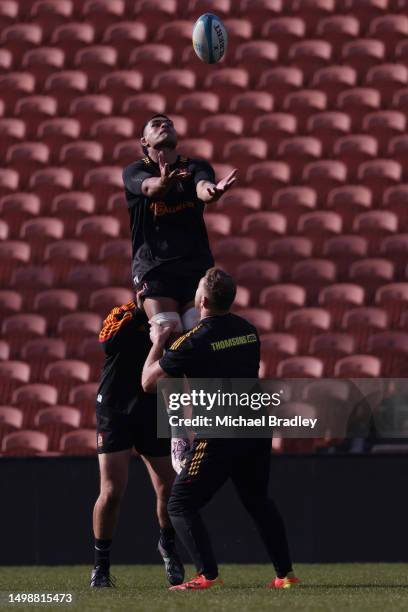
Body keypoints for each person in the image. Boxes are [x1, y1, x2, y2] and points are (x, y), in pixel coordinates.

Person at [141, 268, 299, 591]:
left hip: (222, 431)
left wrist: (157, 343)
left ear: (202, 299)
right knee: (258, 500)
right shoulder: (249, 331)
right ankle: (286, 575)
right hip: (255, 425)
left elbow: (147, 382)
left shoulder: (192, 341)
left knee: (180, 504)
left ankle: (206, 575)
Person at [91, 299, 184, 588]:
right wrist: (140, 319)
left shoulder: (179, 319)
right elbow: (106, 342)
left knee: (168, 488)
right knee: (111, 491)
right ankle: (101, 567)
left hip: (152, 407)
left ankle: (167, 545)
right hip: (115, 408)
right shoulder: (124, 313)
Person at [122, 113, 237, 335]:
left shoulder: (195, 166)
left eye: (169, 124)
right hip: (154, 267)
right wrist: (164, 182)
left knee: (197, 335)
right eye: (156, 124)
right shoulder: (136, 170)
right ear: (144, 141)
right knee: (167, 332)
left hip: (194, 263)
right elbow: (149, 188)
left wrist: (211, 192)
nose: (164, 125)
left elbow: (203, 187)